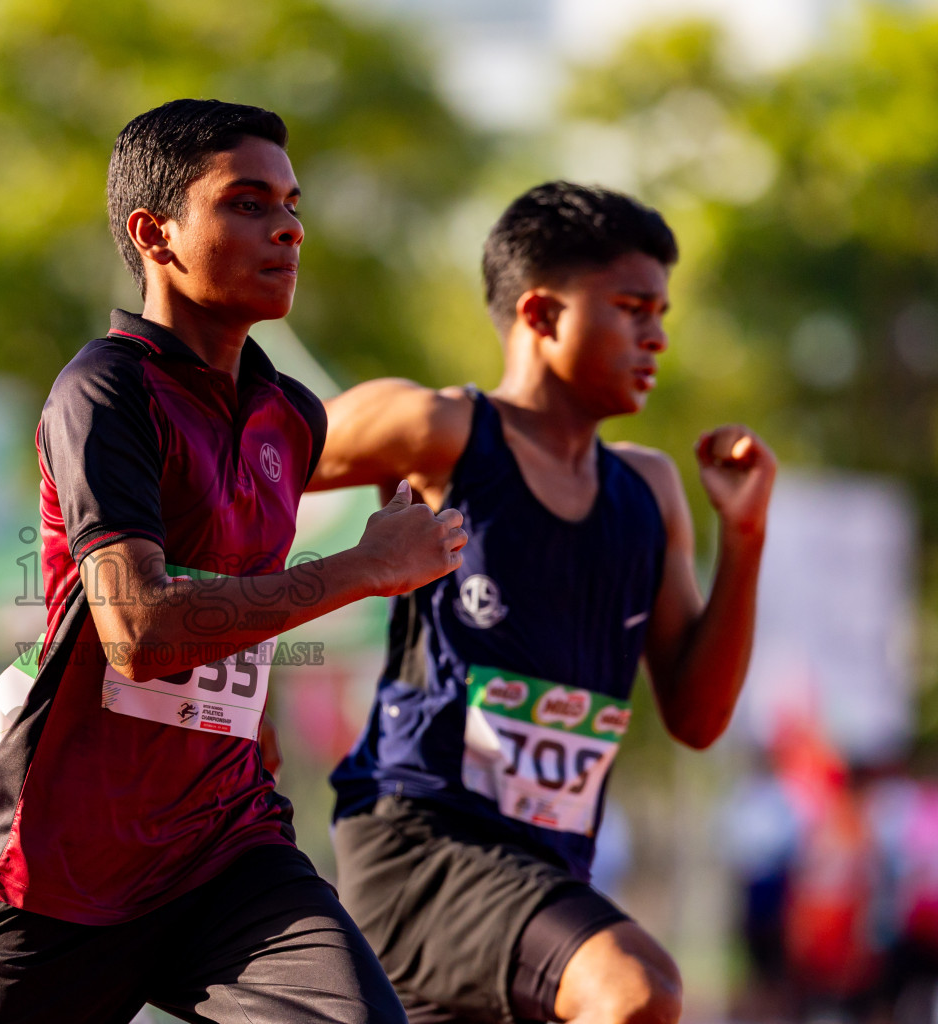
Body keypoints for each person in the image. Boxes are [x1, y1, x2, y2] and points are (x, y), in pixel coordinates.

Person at [0, 98, 467, 1024]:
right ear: (154, 233)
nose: (288, 226)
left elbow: (238, 606)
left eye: (292, 204)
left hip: (223, 849)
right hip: (59, 870)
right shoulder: (104, 389)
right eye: (247, 203)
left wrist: (249, 730)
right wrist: (362, 568)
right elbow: (139, 631)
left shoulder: (292, 415)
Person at [310, 181, 777, 1024]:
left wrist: (743, 538)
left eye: (661, 312)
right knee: (638, 989)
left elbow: (699, 719)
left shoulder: (650, 489)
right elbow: (238, 464)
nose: (657, 336)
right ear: (540, 312)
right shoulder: (437, 428)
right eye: (632, 307)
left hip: (550, 868)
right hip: (422, 841)